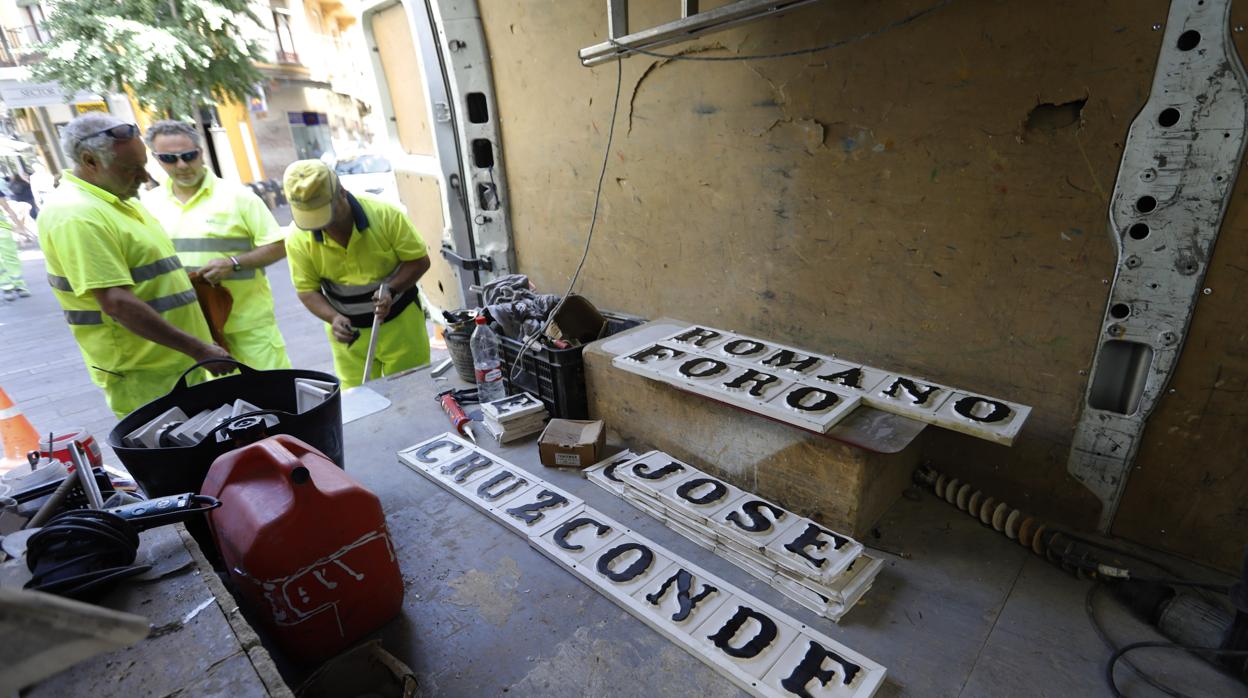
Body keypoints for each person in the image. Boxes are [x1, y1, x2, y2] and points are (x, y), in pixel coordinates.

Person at [39, 114, 232, 418]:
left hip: (175, 363)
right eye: (131, 168)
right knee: (171, 448)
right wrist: (198, 349)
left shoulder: (117, 201)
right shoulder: (77, 214)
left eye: (144, 165)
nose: (144, 177)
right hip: (144, 375)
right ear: (90, 161)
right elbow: (116, 302)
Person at [141, 120, 292, 370]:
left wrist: (234, 263)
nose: (182, 165)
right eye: (169, 158)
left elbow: (278, 245)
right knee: (216, 396)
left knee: (272, 390)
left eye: (188, 156)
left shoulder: (238, 197)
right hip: (194, 332)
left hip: (248, 325)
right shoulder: (149, 205)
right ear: (156, 159)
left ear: (201, 153)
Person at [283, 159, 431, 389]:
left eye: (326, 214)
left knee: (413, 389)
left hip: (401, 323)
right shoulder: (298, 238)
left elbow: (419, 261)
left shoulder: (385, 214)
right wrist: (333, 317)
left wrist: (391, 289)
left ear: (342, 192)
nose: (323, 226)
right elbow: (307, 291)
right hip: (350, 335)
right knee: (358, 398)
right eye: (312, 219)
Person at [0, 194, 32, 300]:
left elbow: (7, 208)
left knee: (11, 257)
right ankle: (7, 287)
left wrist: (20, 227)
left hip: (2, 229)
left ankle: (19, 285)